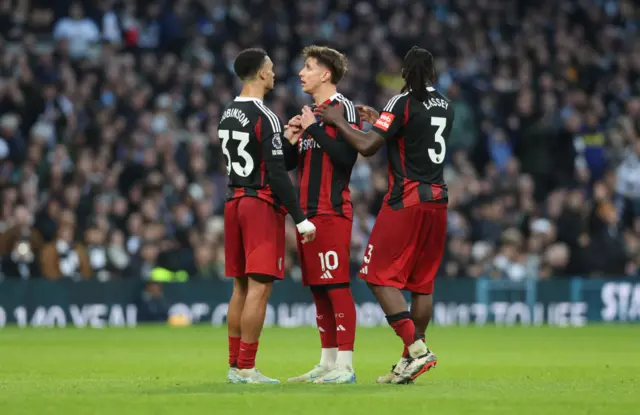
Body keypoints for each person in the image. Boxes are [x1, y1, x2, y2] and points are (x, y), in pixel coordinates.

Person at [316, 46, 454, 384]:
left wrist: (336, 121)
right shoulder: (447, 106)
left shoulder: (401, 102)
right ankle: (409, 360)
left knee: (376, 275)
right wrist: (380, 118)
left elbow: (367, 146)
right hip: (437, 201)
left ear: (405, 73)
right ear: (432, 73)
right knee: (421, 284)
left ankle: (418, 351)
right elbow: (414, 135)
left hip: (405, 200)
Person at [219, 48, 317, 384]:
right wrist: (300, 217)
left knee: (240, 288)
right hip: (260, 205)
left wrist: (286, 142)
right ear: (261, 73)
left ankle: (235, 365)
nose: (275, 74)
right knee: (259, 289)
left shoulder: (228, 113)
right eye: (271, 69)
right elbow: (276, 174)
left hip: (234, 202)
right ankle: (247, 368)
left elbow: (270, 159)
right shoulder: (265, 115)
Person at [283, 46, 361, 384]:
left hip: (331, 211)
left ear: (325, 74)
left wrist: (314, 129)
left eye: (308, 67)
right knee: (318, 288)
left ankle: (345, 364)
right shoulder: (311, 112)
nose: (302, 73)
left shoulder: (342, 108)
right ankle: (327, 362)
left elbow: (347, 158)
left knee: (336, 286)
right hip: (306, 213)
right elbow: (291, 164)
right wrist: (290, 139)